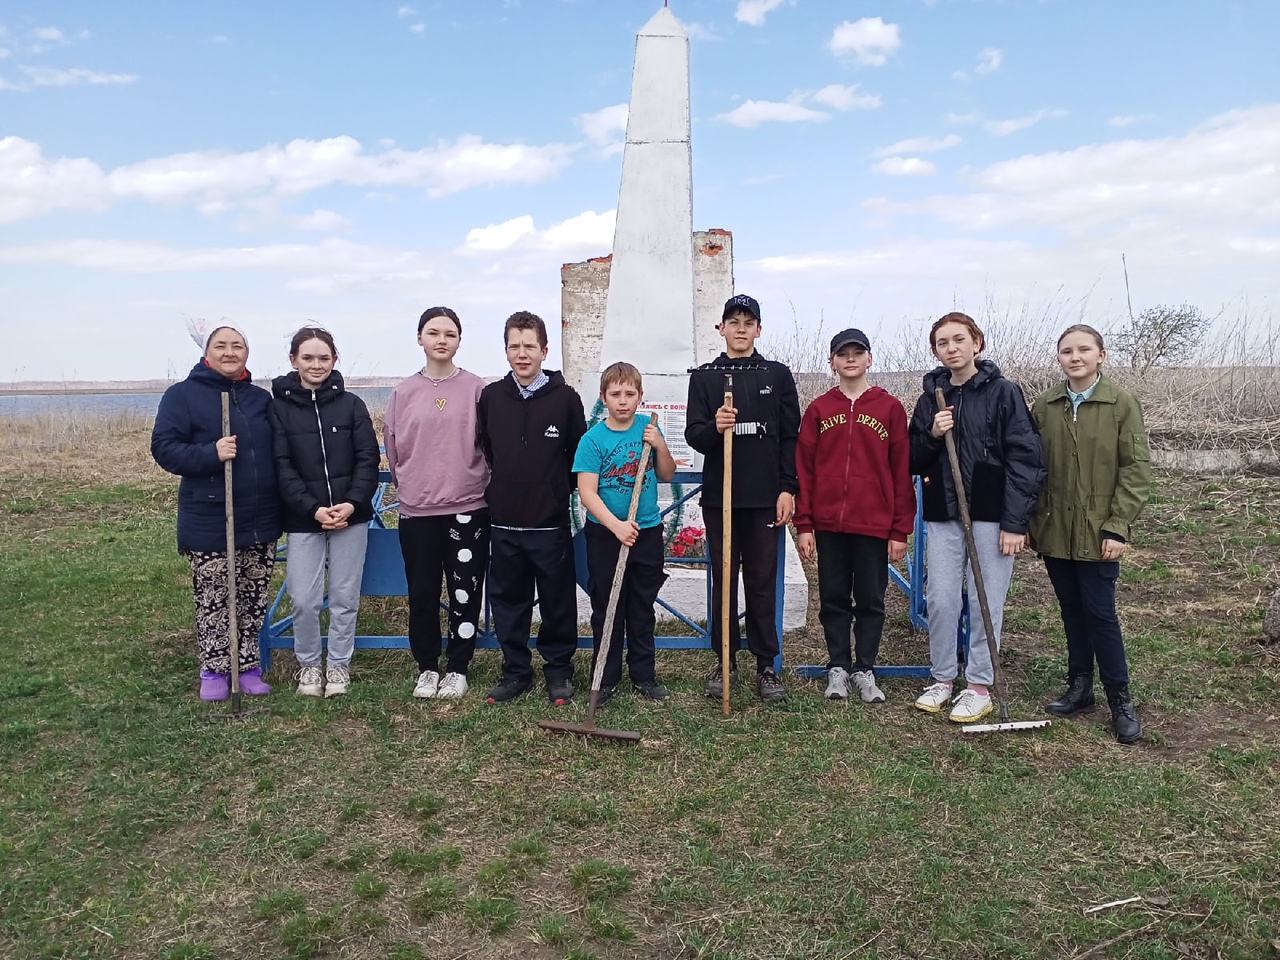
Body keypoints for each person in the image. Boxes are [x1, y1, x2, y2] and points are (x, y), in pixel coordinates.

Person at [908, 312, 1045, 723]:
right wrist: (932, 433)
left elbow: (1026, 457)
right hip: (944, 512)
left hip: (990, 514)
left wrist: (1015, 522)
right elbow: (911, 459)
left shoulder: (1004, 392)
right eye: (942, 343)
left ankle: (979, 685)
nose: (951, 348)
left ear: (977, 343)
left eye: (959, 340)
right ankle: (943, 678)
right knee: (943, 598)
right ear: (935, 351)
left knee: (985, 597)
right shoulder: (931, 396)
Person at [1030, 324, 1151, 743]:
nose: (1075, 357)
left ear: (1101, 355)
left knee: (1101, 615)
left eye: (1084, 349)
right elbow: (1032, 468)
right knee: (1071, 612)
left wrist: (1118, 525)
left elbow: (1135, 469)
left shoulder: (1121, 404)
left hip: (1100, 532)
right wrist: (1032, 523)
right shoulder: (1045, 405)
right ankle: (1080, 687)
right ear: (1059, 358)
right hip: (1055, 531)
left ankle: (1120, 698)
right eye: (1067, 351)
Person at [151, 324, 282, 701]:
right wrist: (211, 452)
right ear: (207, 353)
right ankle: (213, 670)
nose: (230, 352)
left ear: (246, 353)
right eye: (221, 346)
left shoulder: (259, 399)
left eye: (237, 346)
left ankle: (248, 666)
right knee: (214, 596)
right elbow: (164, 448)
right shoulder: (183, 396)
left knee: (252, 596)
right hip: (210, 518)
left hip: (260, 518)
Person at [685, 294, 801, 703]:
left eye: (747, 322)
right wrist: (715, 426)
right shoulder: (705, 377)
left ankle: (767, 664)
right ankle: (725, 660)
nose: (740, 328)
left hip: (765, 496)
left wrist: (788, 488)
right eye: (732, 321)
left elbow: (791, 437)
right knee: (724, 581)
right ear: (721, 329)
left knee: (762, 583)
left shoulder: (777, 374)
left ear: (758, 329)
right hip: (722, 498)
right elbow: (693, 436)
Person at [795, 329, 914, 703]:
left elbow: (899, 470)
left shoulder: (889, 408)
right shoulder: (819, 409)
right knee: (832, 598)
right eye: (842, 354)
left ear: (869, 358)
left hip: (873, 524)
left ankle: (865, 668)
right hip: (829, 524)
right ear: (831, 362)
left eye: (857, 353)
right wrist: (805, 524)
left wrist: (899, 529)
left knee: (870, 599)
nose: (850, 359)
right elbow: (805, 470)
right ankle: (837, 667)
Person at [478, 311, 587, 705]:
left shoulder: (565, 399)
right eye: (514, 346)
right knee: (509, 601)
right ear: (506, 351)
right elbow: (489, 451)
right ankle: (515, 672)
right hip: (504, 523)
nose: (522, 354)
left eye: (529, 346)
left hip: (550, 523)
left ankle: (558, 672)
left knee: (558, 602)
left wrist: (556, 493)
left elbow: (578, 457)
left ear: (544, 350)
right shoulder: (491, 398)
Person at [384, 307, 490, 700]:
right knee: (423, 592)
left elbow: (488, 445)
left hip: (468, 507)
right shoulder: (402, 393)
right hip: (417, 511)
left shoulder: (477, 388)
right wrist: (412, 486)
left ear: (460, 340)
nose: (441, 340)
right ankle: (427, 667)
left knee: (465, 591)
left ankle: (458, 667)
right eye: (433, 332)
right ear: (420, 338)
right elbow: (394, 450)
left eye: (450, 333)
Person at [268, 326, 380, 698]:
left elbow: (368, 458)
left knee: (345, 596)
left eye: (324, 358)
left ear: (334, 360)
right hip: (304, 520)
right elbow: (282, 466)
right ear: (294, 361)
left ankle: (338, 667)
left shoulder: (351, 406)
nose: (316, 365)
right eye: (308, 357)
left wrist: (352, 502)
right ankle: (308, 667)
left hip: (352, 517)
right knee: (304, 599)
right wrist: (313, 509)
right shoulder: (279, 409)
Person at [573, 362, 677, 703]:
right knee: (607, 605)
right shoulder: (593, 439)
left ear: (640, 396)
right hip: (606, 533)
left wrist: (660, 445)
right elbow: (587, 492)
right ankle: (604, 677)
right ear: (603, 397)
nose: (622, 401)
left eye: (629, 394)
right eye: (615, 394)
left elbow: (666, 474)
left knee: (642, 606)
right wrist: (616, 526)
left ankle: (644, 675)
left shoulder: (648, 429)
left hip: (646, 530)